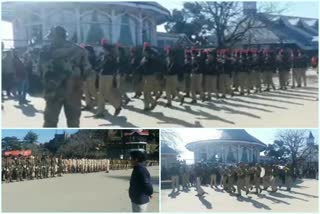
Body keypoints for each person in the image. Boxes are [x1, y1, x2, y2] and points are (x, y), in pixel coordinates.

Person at [39, 26, 92, 127]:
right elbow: (87, 70)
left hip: (53, 92)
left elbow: (40, 70)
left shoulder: (46, 50)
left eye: (51, 36)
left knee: (50, 123)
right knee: (74, 122)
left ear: (56, 36)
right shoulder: (79, 50)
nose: (50, 39)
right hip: (73, 92)